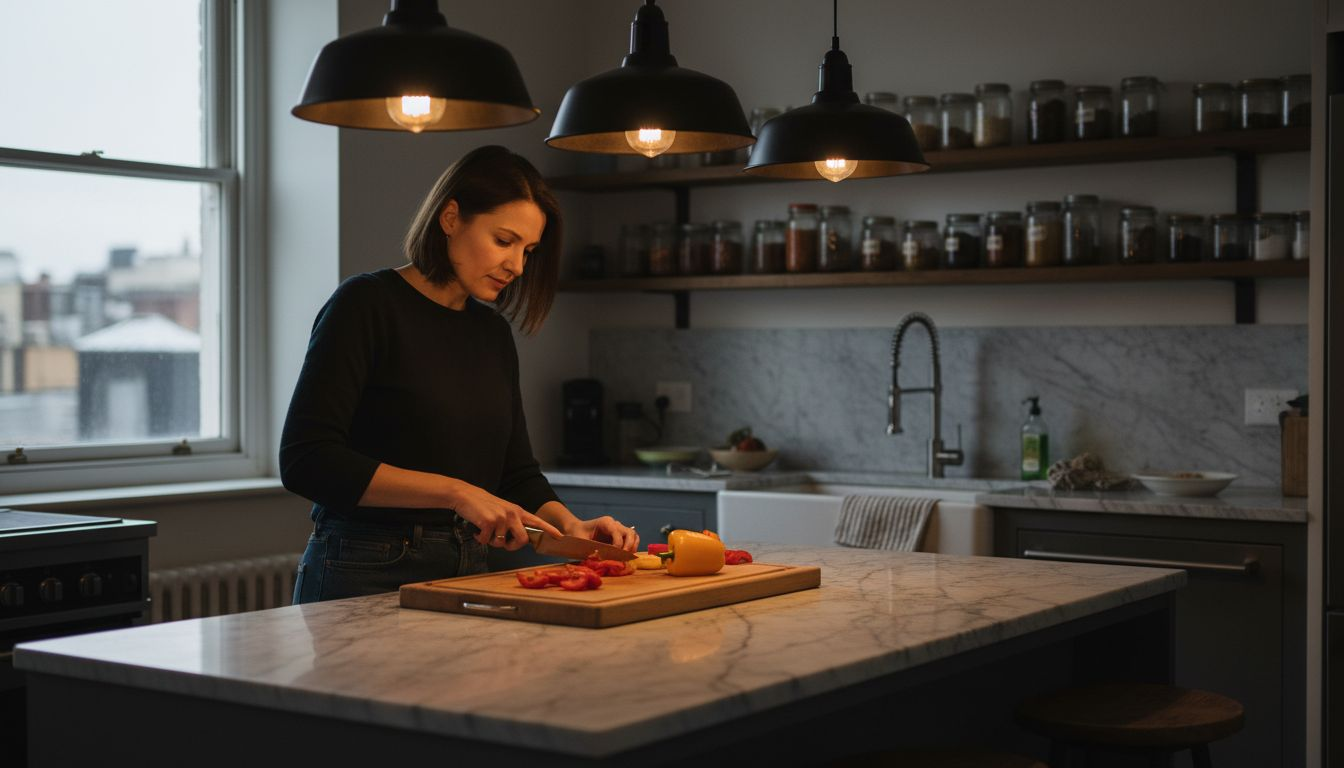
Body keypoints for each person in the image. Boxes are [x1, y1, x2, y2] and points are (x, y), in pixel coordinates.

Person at [281, 145, 638, 603]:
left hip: (467, 565)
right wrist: (457, 494)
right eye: (504, 241)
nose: (518, 266)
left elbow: (515, 474)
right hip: (361, 564)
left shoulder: (491, 332)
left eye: (528, 250)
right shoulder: (365, 305)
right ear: (450, 218)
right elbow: (306, 460)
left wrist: (571, 526)